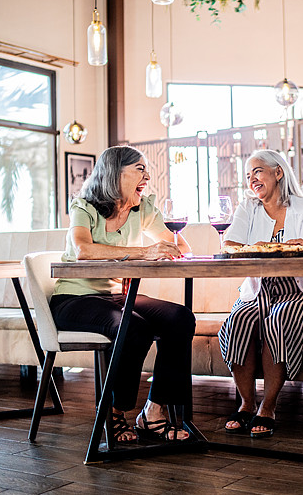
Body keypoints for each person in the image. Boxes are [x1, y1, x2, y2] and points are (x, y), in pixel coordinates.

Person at [50, 146, 195, 442]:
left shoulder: (142, 209)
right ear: (116, 173)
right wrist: (144, 252)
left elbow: (181, 248)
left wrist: (170, 247)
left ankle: (154, 411)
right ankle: (115, 411)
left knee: (180, 318)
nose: (148, 176)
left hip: (115, 298)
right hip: (73, 300)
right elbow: (82, 250)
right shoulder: (85, 206)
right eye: (140, 169)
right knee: (133, 327)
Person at [218, 149, 303, 438]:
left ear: (277, 172)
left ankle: (268, 406)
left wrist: (294, 245)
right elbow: (231, 243)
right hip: (260, 288)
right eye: (248, 175)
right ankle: (246, 404)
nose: (252, 179)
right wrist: (264, 246)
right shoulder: (247, 209)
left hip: (302, 289)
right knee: (238, 321)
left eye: (257, 171)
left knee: (277, 321)